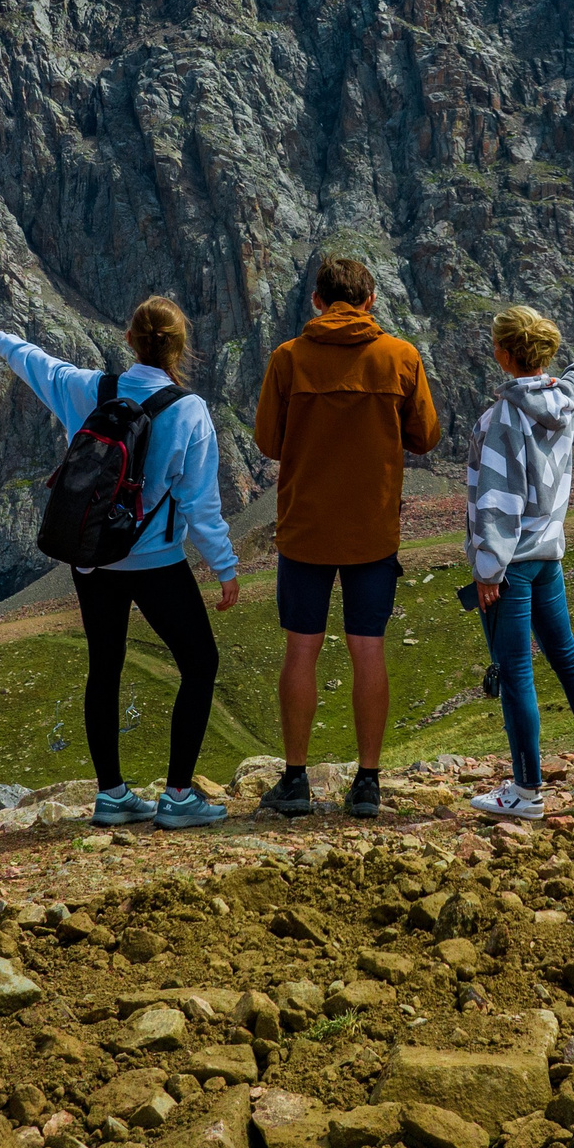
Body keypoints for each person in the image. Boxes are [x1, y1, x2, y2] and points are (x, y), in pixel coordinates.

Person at [0, 299, 238, 830]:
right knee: (199, 664)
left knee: (104, 668)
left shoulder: (91, 390)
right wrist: (224, 567)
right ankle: (178, 796)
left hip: (92, 561)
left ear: (129, 340)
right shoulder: (189, 410)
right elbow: (201, 505)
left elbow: (39, 364)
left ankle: (111, 795)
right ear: (180, 347)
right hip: (156, 562)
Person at [250, 255, 441, 819]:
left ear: (317, 301)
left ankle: (295, 780)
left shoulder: (288, 359)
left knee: (301, 651)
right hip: (373, 533)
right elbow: (426, 437)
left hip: (305, 530)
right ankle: (367, 783)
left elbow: (267, 441)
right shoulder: (400, 357)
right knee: (368, 650)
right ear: (370, 300)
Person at [465, 304, 574, 819]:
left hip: (513, 564)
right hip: (550, 556)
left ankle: (525, 793)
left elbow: (497, 502)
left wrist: (487, 571)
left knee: (517, 669)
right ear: (543, 351)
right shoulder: (562, 397)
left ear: (502, 353)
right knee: (566, 655)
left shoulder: (500, 420)